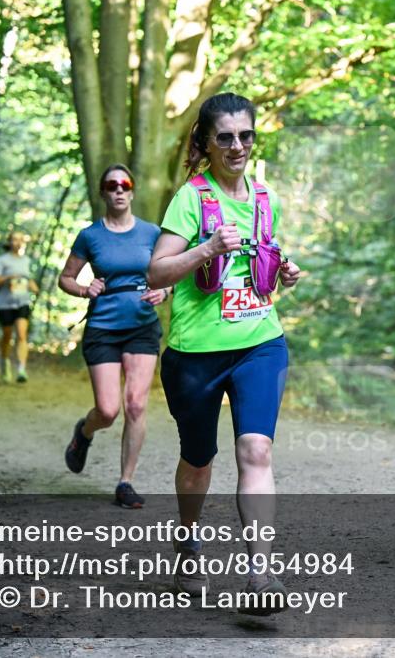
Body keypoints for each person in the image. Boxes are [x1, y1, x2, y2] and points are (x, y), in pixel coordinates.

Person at [147, 92, 301, 614]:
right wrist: (208, 247)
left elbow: (263, 256)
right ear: (206, 143)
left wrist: (282, 269)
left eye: (246, 135)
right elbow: (157, 272)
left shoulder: (265, 196)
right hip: (196, 354)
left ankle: (261, 573)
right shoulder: (190, 199)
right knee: (198, 460)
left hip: (260, 343)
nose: (238, 146)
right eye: (226, 137)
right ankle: (187, 542)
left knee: (255, 451)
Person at [58, 164, 169, 509]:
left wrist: (163, 291)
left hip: (141, 325)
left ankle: (126, 482)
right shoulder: (90, 236)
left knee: (135, 404)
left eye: (125, 184)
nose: (119, 190)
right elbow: (65, 278)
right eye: (111, 185)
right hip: (103, 327)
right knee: (108, 410)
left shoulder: (152, 233)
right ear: (103, 193)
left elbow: (171, 273)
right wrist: (83, 289)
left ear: (132, 192)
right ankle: (84, 432)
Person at [0, 230, 39, 383]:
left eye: (20, 240)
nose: (17, 243)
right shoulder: (2, 260)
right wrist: (7, 279)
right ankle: (4, 361)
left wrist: (33, 286)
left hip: (22, 301)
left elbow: (28, 279)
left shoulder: (26, 260)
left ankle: (21, 369)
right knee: (7, 335)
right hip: (4, 303)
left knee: (22, 334)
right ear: (9, 242)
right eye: (14, 240)